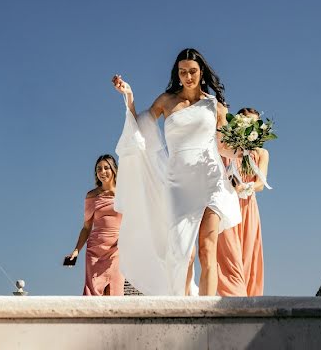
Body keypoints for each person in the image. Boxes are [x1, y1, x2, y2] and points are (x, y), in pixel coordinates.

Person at [111, 48, 242, 296]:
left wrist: (244, 150)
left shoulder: (215, 106)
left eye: (192, 71)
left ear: (201, 72)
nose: (188, 77)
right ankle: (184, 307)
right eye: (183, 72)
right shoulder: (166, 101)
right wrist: (128, 96)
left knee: (207, 248)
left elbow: (224, 146)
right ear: (177, 74)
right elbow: (141, 127)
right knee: (183, 252)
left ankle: (207, 314)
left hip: (210, 177)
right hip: (178, 183)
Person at [217, 107, 270, 296]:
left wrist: (243, 188)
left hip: (248, 207)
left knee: (248, 254)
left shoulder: (262, 153)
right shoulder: (226, 149)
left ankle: (248, 300)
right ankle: (232, 297)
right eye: (247, 121)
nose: (251, 125)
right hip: (227, 204)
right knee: (229, 254)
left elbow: (260, 184)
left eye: (255, 123)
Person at [64, 154, 125, 296]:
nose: (102, 172)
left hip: (117, 249)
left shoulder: (124, 194)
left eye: (106, 168)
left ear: (114, 169)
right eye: (99, 169)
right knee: (94, 293)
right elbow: (86, 227)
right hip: (95, 250)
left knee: (114, 291)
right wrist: (76, 250)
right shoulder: (91, 196)